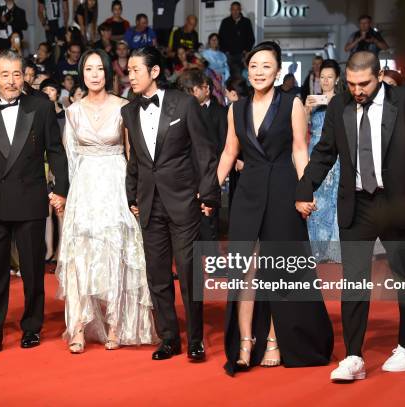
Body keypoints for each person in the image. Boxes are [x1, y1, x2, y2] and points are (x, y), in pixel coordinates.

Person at [296, 51, 405, 382]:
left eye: (364, 83)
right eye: (351, 84)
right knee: (354, 281)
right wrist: (304, 187)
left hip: (397, 202)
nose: (357, 90)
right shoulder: (339, 106)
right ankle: (354, 356)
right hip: (357, 204)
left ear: (379, 75)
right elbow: (325, 151)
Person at [217, 41, 333, 376]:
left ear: (278, 70)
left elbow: (300, 149)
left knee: (278, 268)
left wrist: (305, 188)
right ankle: (244, 341)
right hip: (248, 193)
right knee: (245, 269)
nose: (259, 72)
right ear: (246, 70)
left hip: (283, 189)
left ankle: (273, 339)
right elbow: (228, 152)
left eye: (266, 66)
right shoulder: (235, 109)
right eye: (254, 66)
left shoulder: (291, 104)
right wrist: (208, 189)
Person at [0, 50, 69, 357]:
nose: (11, 80)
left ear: (25, 76)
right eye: (5, 74)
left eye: (17, 74)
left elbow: (55, 152)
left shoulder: (42, 107)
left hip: (30, 198)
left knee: (33, 269)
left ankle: (32, 327)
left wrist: (60, 189)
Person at [55, 49, 158, 353]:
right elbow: (71, 159)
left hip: (115, 183)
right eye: (89, 69)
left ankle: (116, 324)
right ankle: (77, 328)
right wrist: (69, 197)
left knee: (116, 252)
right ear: (81, 73)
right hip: (85, 188)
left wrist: (134, 193)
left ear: (108, 73)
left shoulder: (125, 107)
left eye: (100, 68)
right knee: (81, 256)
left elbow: (132, 153)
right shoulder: (72, 111)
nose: (95, 74)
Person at [122, 46, 220, 362]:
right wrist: (131, 195)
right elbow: (135, 159)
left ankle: (195, 339)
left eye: (136, 69)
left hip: (183, 202)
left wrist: (207, 194)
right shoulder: (128, 111)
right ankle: (168, 338)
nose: (130, 75)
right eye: (128, 70)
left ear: (154, 72)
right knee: (158, 275)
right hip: (149, 204)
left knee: (190, 273)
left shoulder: (185, 104)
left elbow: (205, 152)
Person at [177, 68, 227, 242]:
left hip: (209, 172)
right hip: (186, 173)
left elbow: (223, 145)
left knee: (209, 220)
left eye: (192, 90)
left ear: (205, 88)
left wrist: (217, 175)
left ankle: (212, 263)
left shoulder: (220, 112)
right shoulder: (180, 112)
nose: (189, 95)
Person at [303, 59, 342, 263]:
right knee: (315, 198)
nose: (325, 81)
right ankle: (315, 249)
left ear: (337, 80)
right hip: (315, 150)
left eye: (330, 77)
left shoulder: (342, 100)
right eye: (322, 77)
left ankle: (333, 249)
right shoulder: (312, 99)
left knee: (335, 199)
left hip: (336, 153)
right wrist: (306, 110)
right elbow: (300, 127)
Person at [218, 1, 255, 73]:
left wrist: (247, 50)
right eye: (233, 9)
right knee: (229, 76)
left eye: (237, 9)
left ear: (240, 10)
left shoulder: (246, 22)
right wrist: (225, 51)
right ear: (230, 10)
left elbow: (251, 38)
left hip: (242, 55)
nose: (235, 12)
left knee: (241, 76)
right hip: (228, 55)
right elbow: (220, 37)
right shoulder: (225, 22)